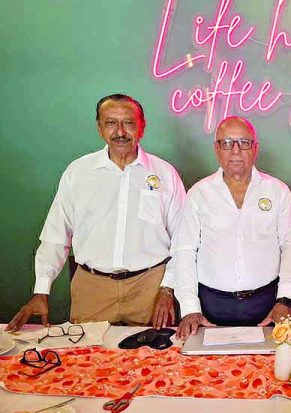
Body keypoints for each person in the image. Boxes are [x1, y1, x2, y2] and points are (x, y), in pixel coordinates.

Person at [6, 94, 185, 332]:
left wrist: (167, 289)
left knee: (155, 354)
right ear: (99, 127)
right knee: (87, 354)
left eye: (129, 123)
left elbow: (183, 241)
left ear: (142, 127)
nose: (120, 132)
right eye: (111, 123)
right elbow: (56, 237)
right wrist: (41, 290)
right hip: (92, 288)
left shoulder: (166, 174)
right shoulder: (78, 172)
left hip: (150, 288)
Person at [174, 116, 291, 340]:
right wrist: (189, 307)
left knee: (271, 362)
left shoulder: (278, 191)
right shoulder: (199, 194)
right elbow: (184, 251)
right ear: (216, 149)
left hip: (267, 304)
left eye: (244, 142)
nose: (235, 150)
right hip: (210, 306)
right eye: (226, 143)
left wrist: (284, 299)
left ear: (255, 149)